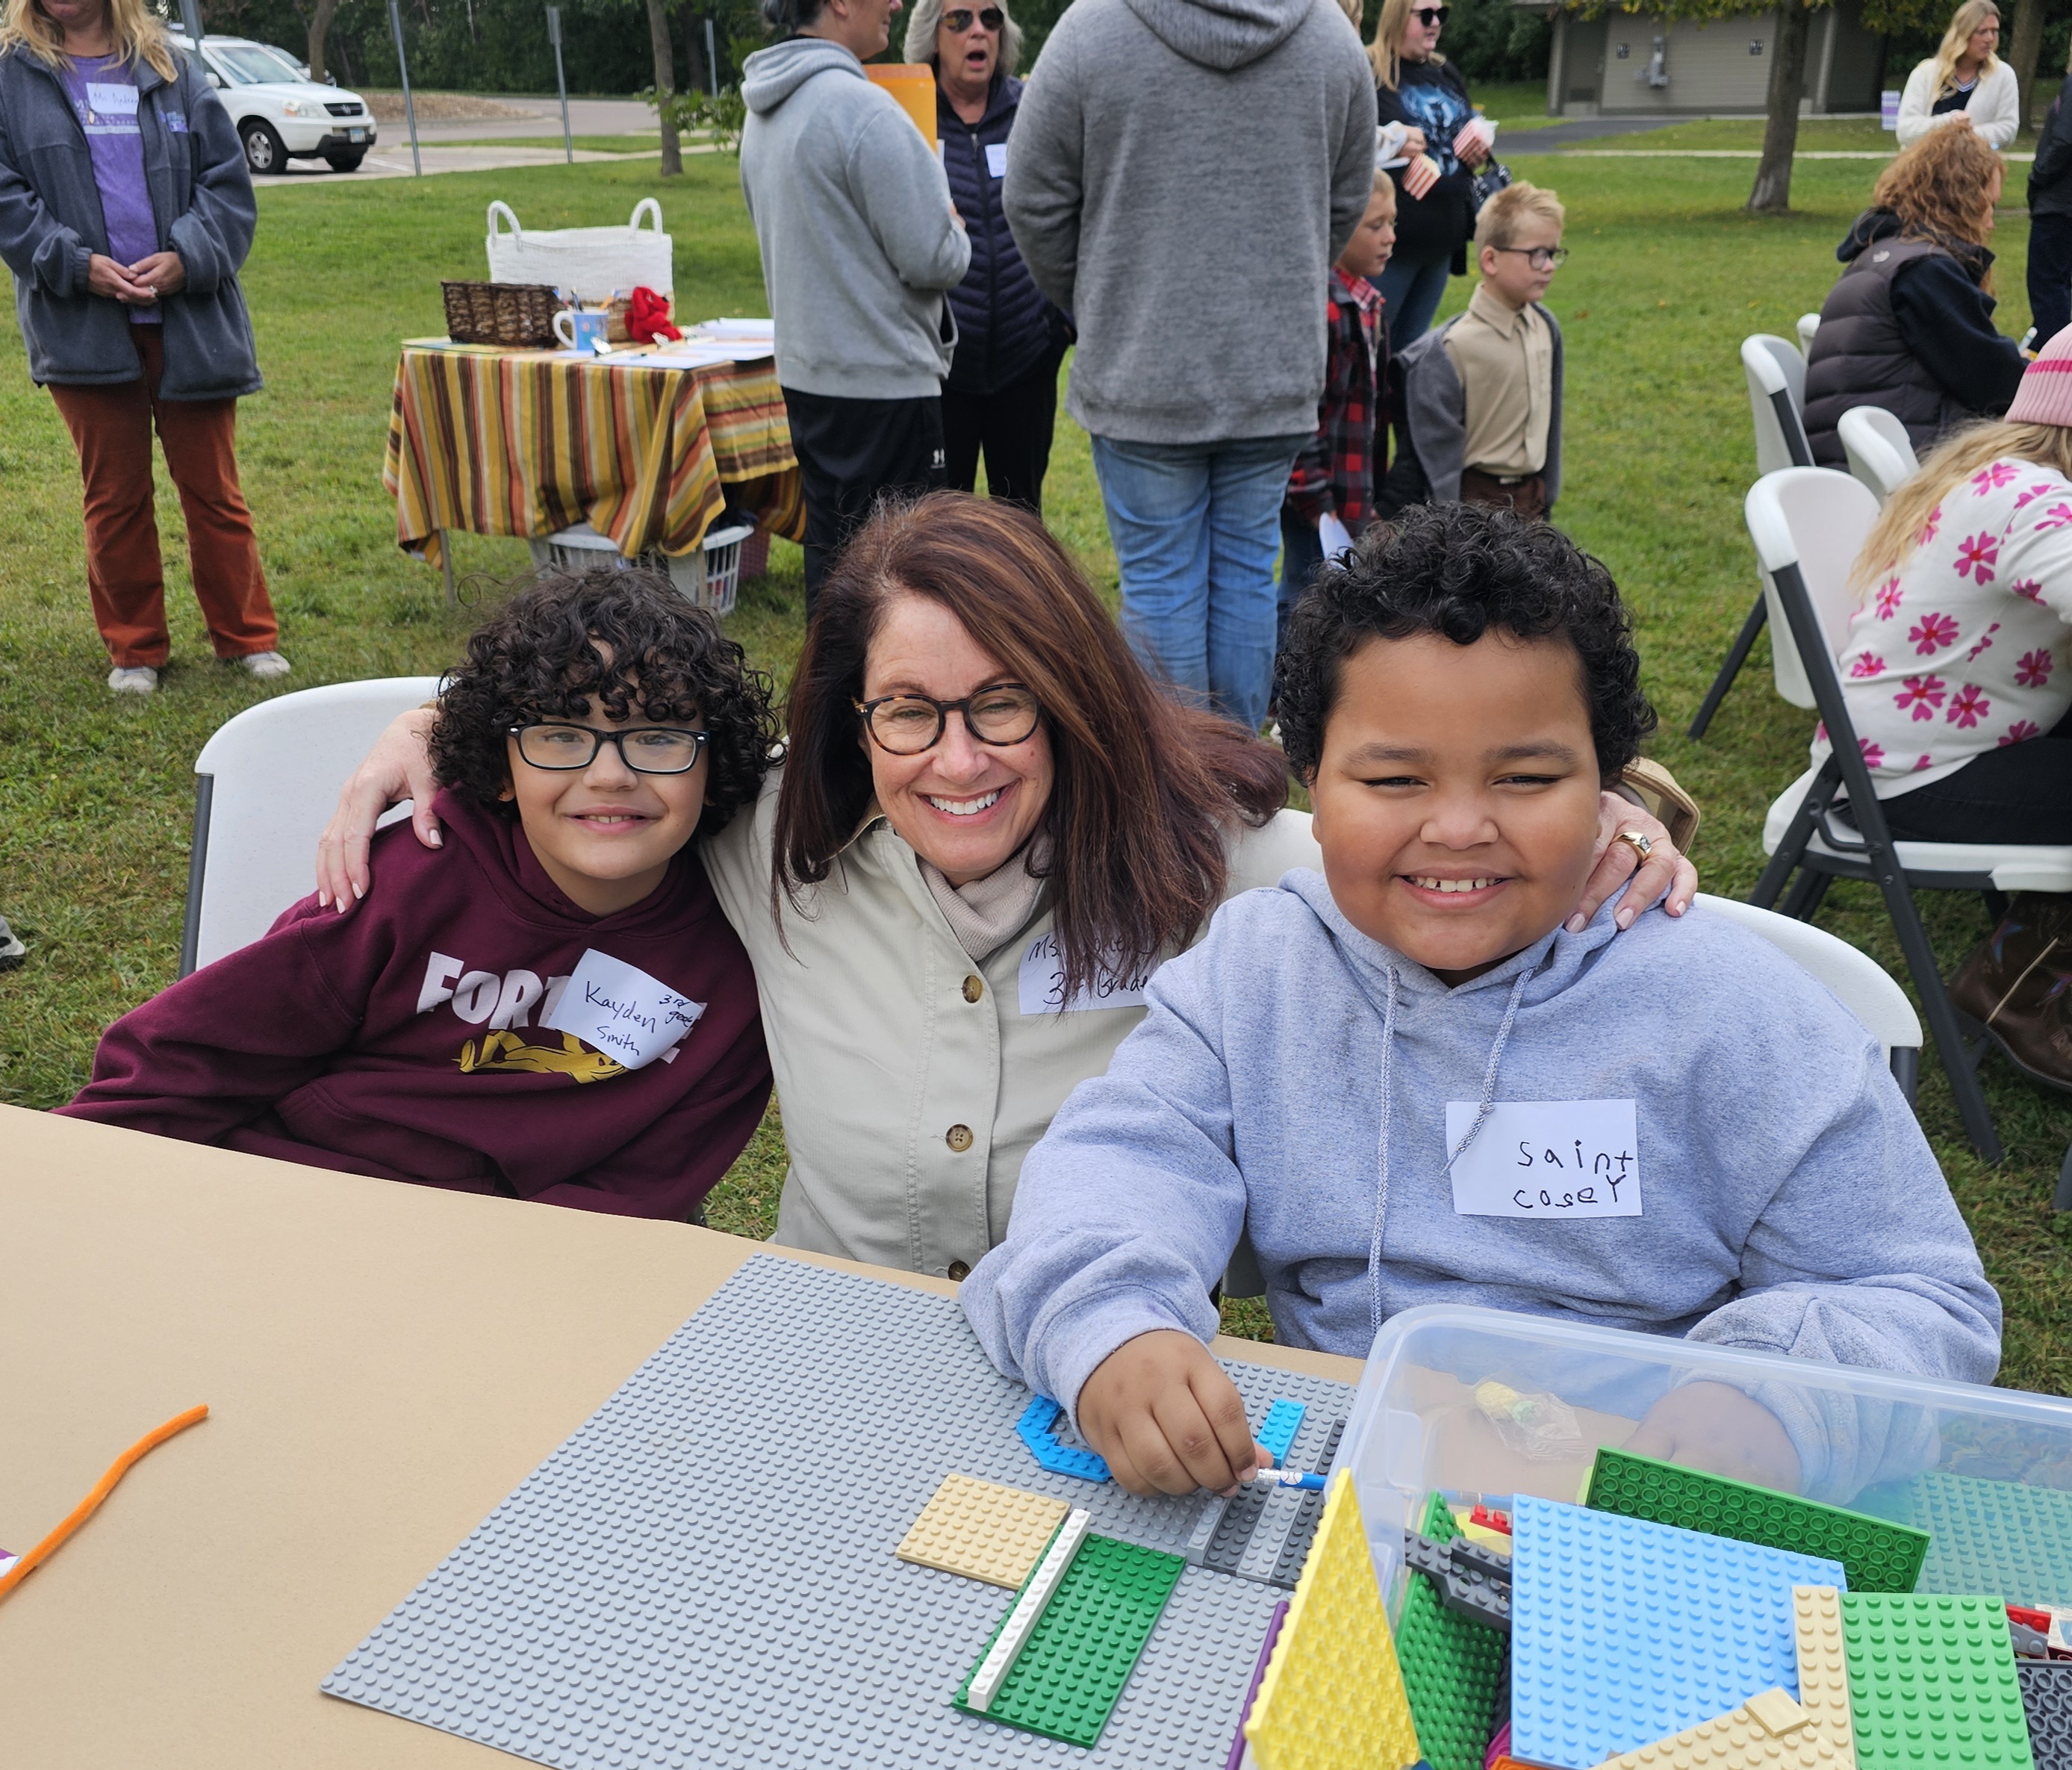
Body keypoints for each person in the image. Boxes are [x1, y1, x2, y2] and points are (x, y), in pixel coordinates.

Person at [314, 493, 1696, 1283]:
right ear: (851, 718)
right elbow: (601, 750)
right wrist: (434, 729)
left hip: (1100, 1380)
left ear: (1076, 696)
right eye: (907, 710)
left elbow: (1417, 825)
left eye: (1004, 704)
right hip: (819, 1354)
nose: (956, 760)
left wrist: (1601, 823)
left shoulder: (1221, 865)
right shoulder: (772, 828)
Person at [961, 505, 2001, 1503]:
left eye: (1524, 777)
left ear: (1605, 790)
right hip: (1337, 1475)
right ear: (1310, 785)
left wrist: (1772, 1402)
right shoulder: (1253, 976)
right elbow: (1122, 1161)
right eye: (1394, 780)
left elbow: (1914, 1294)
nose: (1457, 828)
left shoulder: (1735, 1015)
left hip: (1641, 1504)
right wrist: (1113, 1328)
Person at [61, 570, 774, 1224]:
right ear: (499, 769)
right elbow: (181, 1057)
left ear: (714, 765)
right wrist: (71, 1187)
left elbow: (646, 1187)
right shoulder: (409, 883)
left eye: (657, 737)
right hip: (285, 1201)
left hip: (520, 1263)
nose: (611, 775)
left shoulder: (741, 960)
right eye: (561, 735)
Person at [1003, 0, 1378, 732]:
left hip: (1144, 368)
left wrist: (1102, 299)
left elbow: (1031, 195)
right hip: (1270, 367)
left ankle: (1174, 793)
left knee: (1161, 589)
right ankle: (1232, 780)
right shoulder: (1329, 36)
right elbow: (1344, 200)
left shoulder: (1092, 28)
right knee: (1244, 577)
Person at [0, 0, 285, 697]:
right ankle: (135, 649)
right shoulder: (11, 80)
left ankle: (247, 637)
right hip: (83, 327)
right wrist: (73, 264)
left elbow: (227, 185)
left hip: (188, 323)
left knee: (214, 492)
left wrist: (188, 257)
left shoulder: (171, 67)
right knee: (114, 497)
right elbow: (6, 197)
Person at [1823, 347, 2072, 1088]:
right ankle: (2018, 985)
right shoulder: (2038, 504)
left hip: (1894, 751)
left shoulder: (2003, 472)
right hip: (1913, 777)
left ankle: (2024, 959)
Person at [739, 0, 969, 613]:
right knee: (902, 583)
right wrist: (953, 227)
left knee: (836, 569)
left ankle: (830, 707)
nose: (896, 3)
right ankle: (886, 704)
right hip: (885, 385)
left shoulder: (764, 110)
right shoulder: (862, 108)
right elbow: (934, 257)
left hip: (809, 379)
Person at [903, 0, 1067, 514]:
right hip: (941, 365)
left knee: (1020, 524)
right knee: (938, 529)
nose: (979, 31)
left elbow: (1074, 202)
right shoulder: (905, 115)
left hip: (1026, 358)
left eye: (990, 19)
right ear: (933, 35)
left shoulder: (1033, 110)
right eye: (960, 19)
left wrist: (1057, 324)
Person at [1802, 122, 2026, 466]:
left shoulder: (1883, 254)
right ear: (1961, 199)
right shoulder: (1924, 271)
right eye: (1988, 205)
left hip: (1860, 454)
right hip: (1903, 462)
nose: (1990, 223)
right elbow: (1993, 382)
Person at [1380, 180, 1564, 521]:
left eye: (1553, 254)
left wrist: (1546, 494)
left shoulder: (1545, 328)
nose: (1549, 265)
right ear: (1491, 260)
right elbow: (1426, 451)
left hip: (1533, 505)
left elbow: (1551, 424)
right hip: (1473, 509)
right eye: (1537, 254)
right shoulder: (1451, 349)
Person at [1279, 169, 1396, 635]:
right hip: (1315, 498)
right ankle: (1283, 692)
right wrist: (1318, 501)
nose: (1389, 238)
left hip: (1349, 493)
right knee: (1304, 594)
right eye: (1374, 226)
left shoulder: (1367, 302)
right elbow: (1302, 417)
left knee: (1333, 598)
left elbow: (1368, 416)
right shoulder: (1324, 308)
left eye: (1392, 223)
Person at [1369, 0, 1494, 347]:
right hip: (1392, 243)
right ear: (1397, 16)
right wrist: (1392, 143)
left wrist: (1478, 144)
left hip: (1442, 238)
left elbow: (1465, 127)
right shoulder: (1370, 70)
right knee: (1373, 347)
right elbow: (1343, 141)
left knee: (1411, 353)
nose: (1435, 23)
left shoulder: (1444, 71)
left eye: (1442, 14)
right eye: (1426, 15)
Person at [1897, 0, 2017, 150]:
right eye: (1982, 32)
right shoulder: (1925, 73)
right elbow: (1905, 131)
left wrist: (1965, 135)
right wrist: (1949, 123)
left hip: (1977, 169)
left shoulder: (2003, 75)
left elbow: (2008, 130)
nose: (1990, 39)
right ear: (1963, 34)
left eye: (1994, 31)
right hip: (1925, 169)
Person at [2027, 49, 2072, 346]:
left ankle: (2056, 361)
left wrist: (2038, 176)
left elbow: (2065, 140)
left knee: (2046, 286)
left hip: (2059, 203)